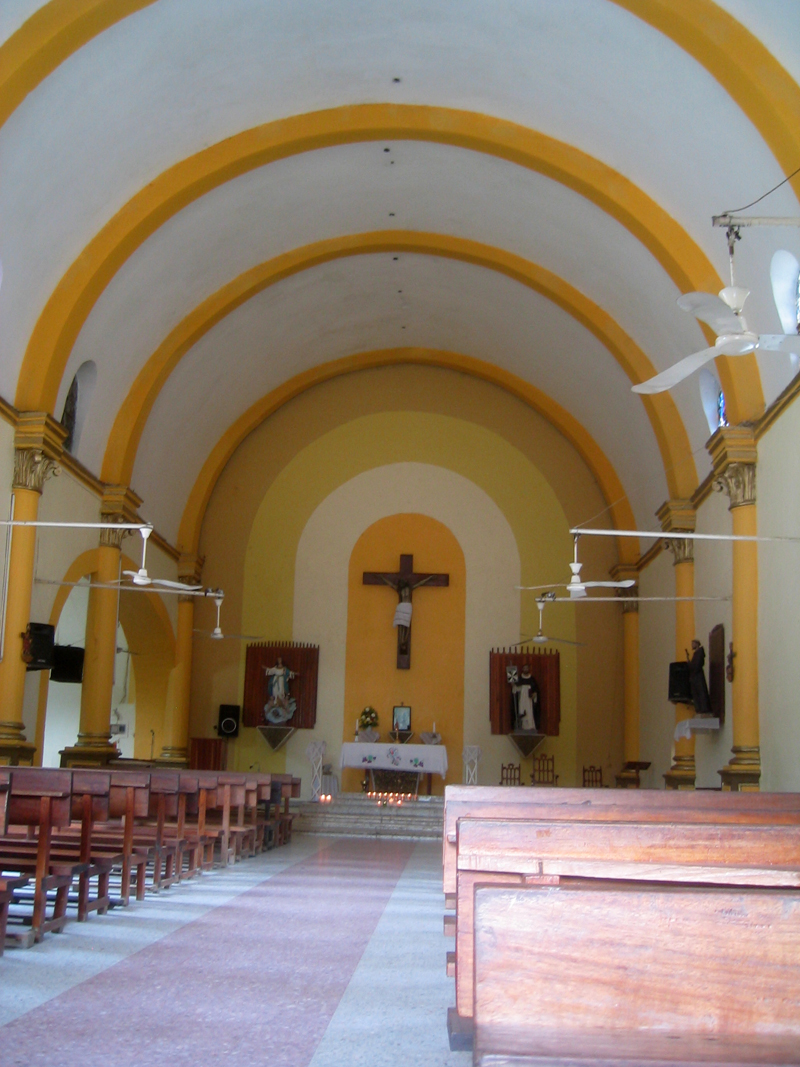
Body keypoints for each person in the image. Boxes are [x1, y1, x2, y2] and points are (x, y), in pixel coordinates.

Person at [264, 657, 297, 724]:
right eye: (278, 660)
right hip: (275, 681)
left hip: (282, 681)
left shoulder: (284, 669)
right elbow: (270, 670)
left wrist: (295, 673)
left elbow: (289, 673)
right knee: (275, 691)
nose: (279, 661)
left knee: (282, 691)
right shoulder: (275, 668)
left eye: (280, 660)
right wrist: (265, 668)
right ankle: (276, 703)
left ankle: (281, 702)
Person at [508, 663, 540, 731]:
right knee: (521, 711)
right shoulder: (519, 678)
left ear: (529, 669)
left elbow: (535, 690)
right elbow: (515, 688)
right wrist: (513, 684)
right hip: (521, 699)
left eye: (527, 668)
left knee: (529, 712)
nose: (525, 669)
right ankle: (521, 726)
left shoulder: (532, 679)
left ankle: (530, 726)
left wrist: (534, 694)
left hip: (529, 700)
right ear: (522, 669)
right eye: (524, 668)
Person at [687, 639, 712, 716]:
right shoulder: (696, 653)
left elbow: (697, 665)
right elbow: (692, 665)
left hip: (698, 676)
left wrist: (692, 667)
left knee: (701, 692)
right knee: (696, 693)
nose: (692, 645)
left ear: (697, 644)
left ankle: (704, 708)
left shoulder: (699, 653)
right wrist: (688, 659)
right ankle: (699, 708)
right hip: (695, 676)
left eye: (693, 644)